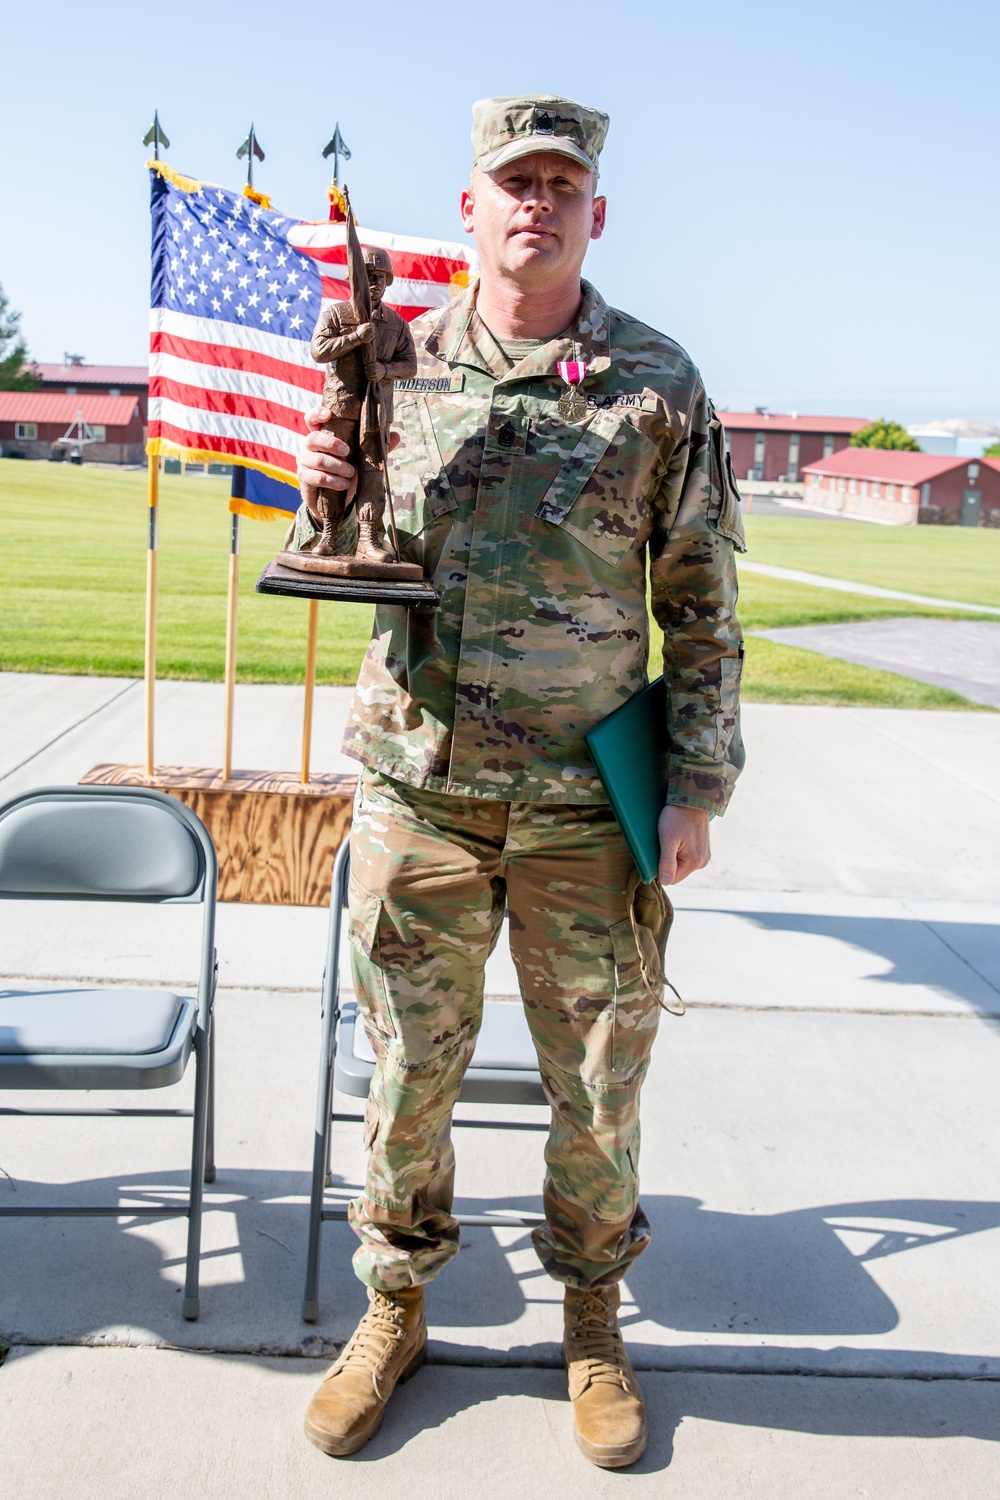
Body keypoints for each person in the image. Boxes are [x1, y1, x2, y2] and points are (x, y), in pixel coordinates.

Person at [296, 94, 746, 1469]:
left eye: (563, 182)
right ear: (473, 207)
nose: (536, 204)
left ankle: (593, 1320)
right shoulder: (396, 358)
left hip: (581, 805)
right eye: (514, 182)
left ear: (594, 211)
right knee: (404, 1075)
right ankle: (395, 1307)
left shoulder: (657, 384)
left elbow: (706, 607)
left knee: (599, 1082)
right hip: (419, 791)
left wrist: (695, 786)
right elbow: (339, 543)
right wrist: (317, 484)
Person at [306, 245, 417, 562]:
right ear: (354, 279)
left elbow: (409, 365)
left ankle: (368, 539)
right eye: (369, 275)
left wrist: (383, 370)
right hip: (341, 409)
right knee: (336, 473)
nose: (376, 282)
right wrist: (356, 338)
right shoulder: (337, 315)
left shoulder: (396, 324)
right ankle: (330, 535)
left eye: (382, 277)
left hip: (377, 411)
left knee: (372, 476)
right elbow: (319, 350)